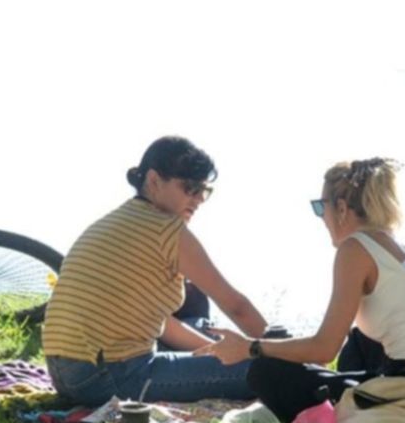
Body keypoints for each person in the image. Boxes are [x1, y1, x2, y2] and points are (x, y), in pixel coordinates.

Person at [201, 158, 405, 423]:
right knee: (351, 339)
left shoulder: (355, 248)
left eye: (321, 207)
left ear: (341, 208)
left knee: (265, 371)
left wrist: (250, 348)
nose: (321, 217)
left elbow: (324, 349)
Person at [42, 136, 269, 405]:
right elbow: (236, 306)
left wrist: (212, 352)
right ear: (153, 180)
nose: (197, 199)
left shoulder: (115, 220)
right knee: (266, 371)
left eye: (204, 191)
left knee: (198, 321)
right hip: (109, 377)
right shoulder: (167, 230)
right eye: (190, 188)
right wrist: (288, 352)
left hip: (65, 373)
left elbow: (160, 325)